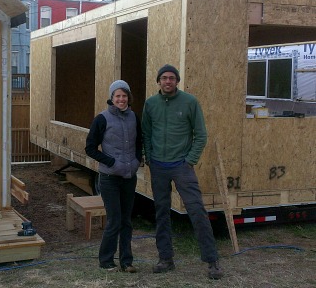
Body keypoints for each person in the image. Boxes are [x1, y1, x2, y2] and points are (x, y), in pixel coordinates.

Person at [141, 64, 224, 280]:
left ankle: (212, 261)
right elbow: (146, 134)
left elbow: (201, 135)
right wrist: (148, 157)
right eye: (164, 78)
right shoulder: (150, 104)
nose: (168, 81)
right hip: (158, 166)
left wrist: (189, 161)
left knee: (197, 211)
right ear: (158, 81)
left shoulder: (190, 102)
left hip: (181, 166)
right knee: (161, 213)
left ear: (177, 81)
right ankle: (165, 259)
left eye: (172, 78)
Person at [85, 80, 142, 273]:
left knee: (126, 220)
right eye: (117, 96)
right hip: (110, 177)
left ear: (128, 97)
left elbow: (139, 141)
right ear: (111, 98)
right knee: (114, 219)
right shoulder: (102, 119)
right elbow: (90, 148)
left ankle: (127, 261)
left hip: (129, 176)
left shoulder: (134, 117)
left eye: (124, 95)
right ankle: (106, 260)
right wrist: (111, 162)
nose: (121, 99)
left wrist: (137, 161)